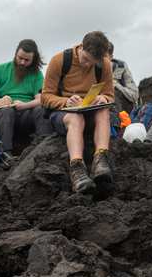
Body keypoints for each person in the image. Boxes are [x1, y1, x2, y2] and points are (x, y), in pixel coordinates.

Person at [41, 31, 115, 194]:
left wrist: (103, 98)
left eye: (93, 62)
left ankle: (101, 160)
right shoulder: (59, 60)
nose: (88, 65)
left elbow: (110, 95)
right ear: (81, 47)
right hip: (64, 113)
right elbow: (45, 97)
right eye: (86, 59)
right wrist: (65, 101)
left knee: (104, 111)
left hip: (90, 109)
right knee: (76, 118)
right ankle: (77, 169)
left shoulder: (105, 65)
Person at [0, 39, 52, 158]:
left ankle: (45, 149)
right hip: (4, 113)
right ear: (15, 54)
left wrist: (24, 106)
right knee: (6, 111)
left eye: (27, 60)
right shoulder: (0, 69)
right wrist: (0, 101)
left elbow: (41, 99)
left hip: (26, 113)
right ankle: (4, 153)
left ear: (34, 59)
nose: (22, 62)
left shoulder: (37, 74)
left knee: (42, 109)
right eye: (20, 58)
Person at [108, 42, 139, 114]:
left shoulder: (120, 67)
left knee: (114, 91)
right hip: (99, 105)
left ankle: (118, 124)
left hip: (123, 108)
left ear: (111, 57)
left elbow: (134, 95)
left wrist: (115, 84)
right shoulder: (92, 67)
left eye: (104, 57)